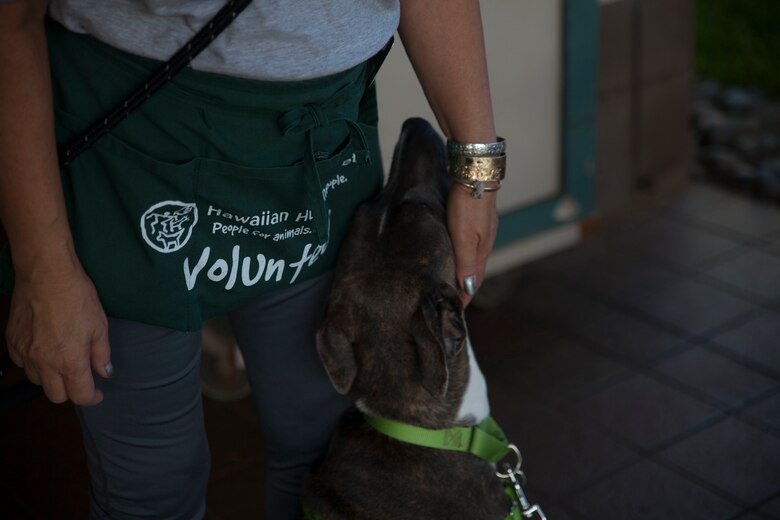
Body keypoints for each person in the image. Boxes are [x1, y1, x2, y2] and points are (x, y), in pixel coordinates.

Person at [0, 1, 500, 518]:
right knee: (151, 490)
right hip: (131, 149)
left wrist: (478, 164)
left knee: (327, 458)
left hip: (318, 147)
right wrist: (42, 265)